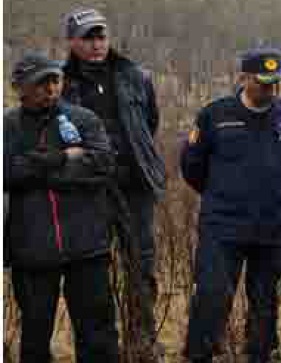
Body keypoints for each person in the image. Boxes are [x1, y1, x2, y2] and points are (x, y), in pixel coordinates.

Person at [180, 48, 281, 363]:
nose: (270, 90)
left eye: (275, 83)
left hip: (272, 228)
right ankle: (199, 356)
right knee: (211, 298)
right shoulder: (215, 115)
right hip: (223, 227)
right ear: (244, 78)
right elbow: (192, 167)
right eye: (263, 83)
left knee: (265, 305)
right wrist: (225, 195)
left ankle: (259, 356)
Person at [60, 8, 164, 352]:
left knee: (141, 266)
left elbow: (148, 123)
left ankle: (142, 343)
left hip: (135, 186)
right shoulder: (60, 83)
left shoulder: (135, 75)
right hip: (90, 190)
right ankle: (103, 346)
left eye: (100, 36)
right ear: (72, 41)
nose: (96, 44)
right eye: (87, 37)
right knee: (94, 269)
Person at [5, 52, 119, 362]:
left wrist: (38, 169)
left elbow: (103, 165)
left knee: (98, 333)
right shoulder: (8, 126)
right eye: (41, 83)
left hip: (87, 246)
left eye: (55, 80)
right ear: (21, 87)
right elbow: (6, 172)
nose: (50, 88)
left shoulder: (83, 119)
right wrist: (60, 157)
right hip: (32, 248)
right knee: (35, 334)